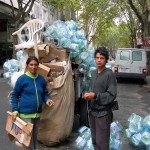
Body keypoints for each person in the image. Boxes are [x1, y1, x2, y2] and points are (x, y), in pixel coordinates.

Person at [11, 56, 54, 150]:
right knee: (27, 141)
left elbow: (44, 94)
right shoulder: (22, 79)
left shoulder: (41, 79)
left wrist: (47, 100)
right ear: (27, 65)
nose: (33, 67)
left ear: (38, 66)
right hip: (25, 115)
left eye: (35, 65)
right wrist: (14, 110)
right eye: (31, 64)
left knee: (34, 138)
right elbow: (14, 96)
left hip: (37, 115)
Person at [84, 47, 117, 150]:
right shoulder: (93, 73)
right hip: (92, 112)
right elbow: (94, 89)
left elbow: (111, 95)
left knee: (102, 143)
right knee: (94, 141)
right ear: (94, 59)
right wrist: (88, 95)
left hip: (103, 114)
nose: (99, 60)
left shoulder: (109, 74)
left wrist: (95, 96)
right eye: (97, 58)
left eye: (101, 58)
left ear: (106, 59)